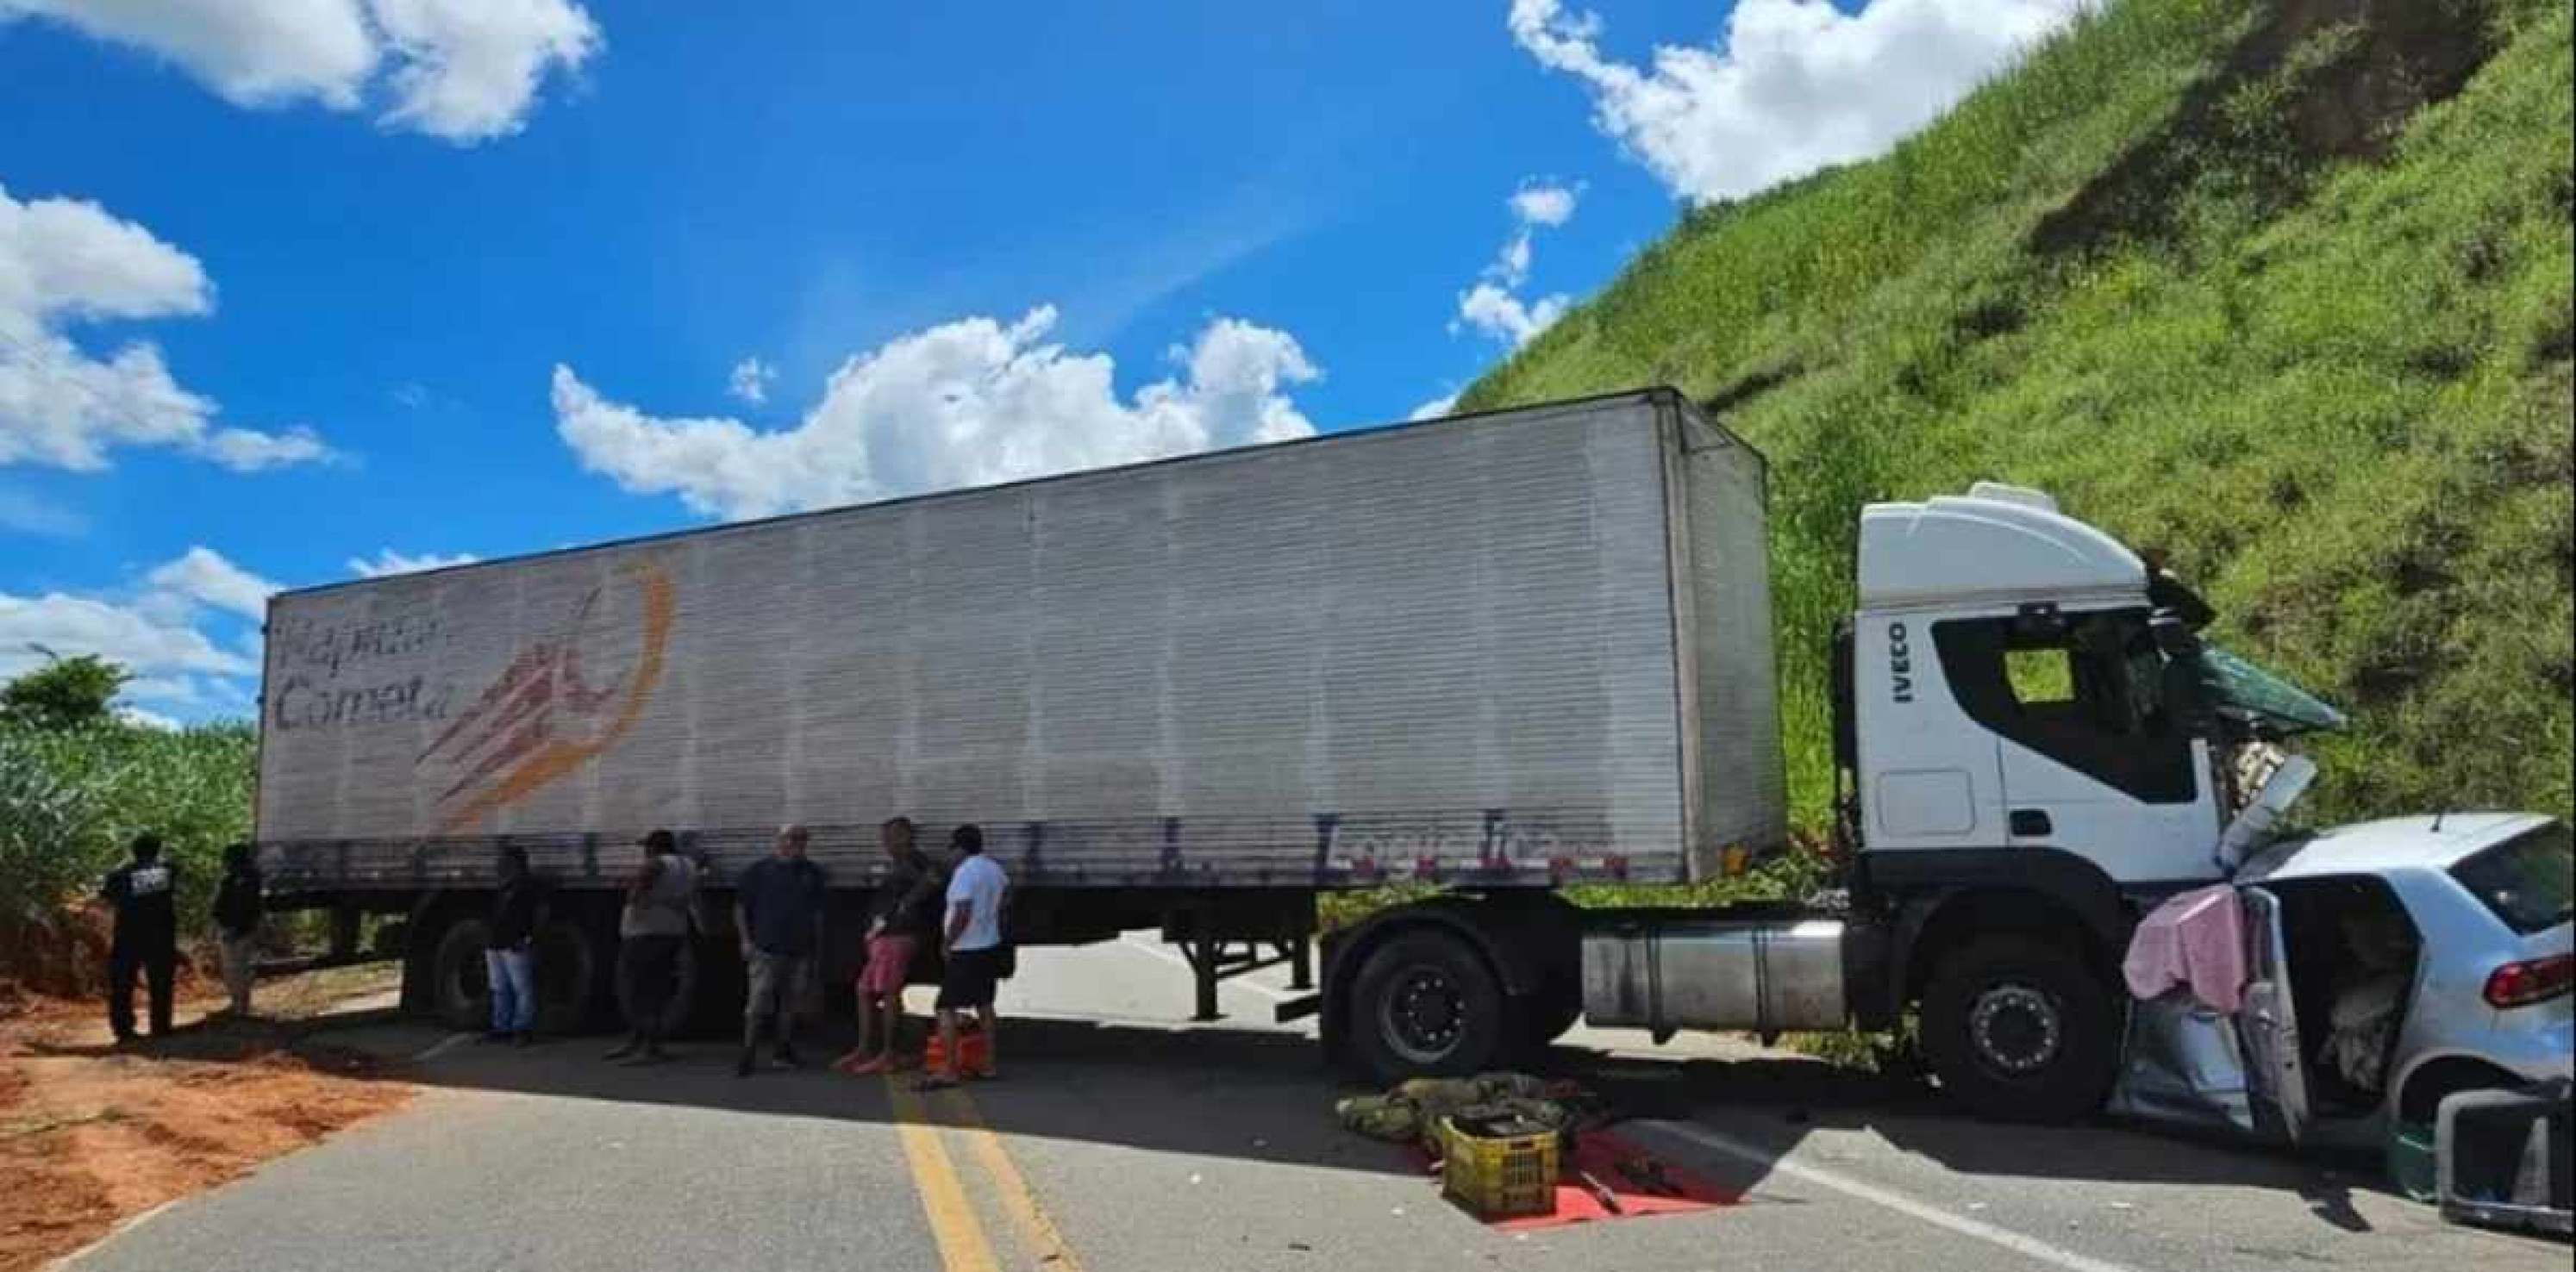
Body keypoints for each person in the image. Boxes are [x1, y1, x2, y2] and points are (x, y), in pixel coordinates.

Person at [839, 817, 941, 1076]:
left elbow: (933, 880)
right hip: (883, 936)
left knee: (888, 992)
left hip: (898, 936)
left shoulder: (916, 861)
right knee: (864, 989)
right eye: (884, 837)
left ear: (906, 836)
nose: (886, 843)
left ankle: (888, 1053)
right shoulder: (897, 864)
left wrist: (905, 907)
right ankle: (864, 1048)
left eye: (892, 836)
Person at [734, 825, 828, 1076]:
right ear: (779, 841)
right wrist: (745, 940)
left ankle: (782, 1049)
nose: (796, 843)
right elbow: (741, 907)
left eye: (801, 839)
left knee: (790, 1003)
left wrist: (817, 948)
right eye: (790, 838)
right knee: (758, 1002)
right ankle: (748, 1052)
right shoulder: (760, 871)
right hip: (766, 948)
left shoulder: (813, 873)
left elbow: (818, 914)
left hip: (800, 949)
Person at [919, 824, 1007, 1090]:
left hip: (966, 949)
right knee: (984, 1004)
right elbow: (1007, 897)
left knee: (945, 1007)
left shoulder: (965, 873)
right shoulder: (994, 869)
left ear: (959, 848)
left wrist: (948, 942)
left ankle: (949, 1070)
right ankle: (989, 1064)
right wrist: (990, 919)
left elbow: (962, 911)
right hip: (989, 944)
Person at [605, 829, 696, 1065]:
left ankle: (646, 1046)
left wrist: (633, 891)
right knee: (658, 990)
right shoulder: (687, 865)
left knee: (637, 991)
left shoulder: (656, 864)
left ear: (655, 848)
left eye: (647, 847)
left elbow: (639, 892)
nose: (645, 851)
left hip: (644, 933)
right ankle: (645, 1041)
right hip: (674, 931)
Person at [101, 832, 179, 1042]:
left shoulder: (120, 874)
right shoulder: (167, 870)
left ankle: (124, 1029)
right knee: (161, 982)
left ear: (134, 851)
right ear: (158, 850)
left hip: (128, 934)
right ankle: (161, 1027)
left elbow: (107, 895)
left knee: (122, 984)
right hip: (161, 935)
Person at [485, 845, 546, 1046]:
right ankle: (501, 1027)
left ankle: (522, 1028)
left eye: (505, 862)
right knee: (500, 987)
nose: (500, 866)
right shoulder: (503, 886)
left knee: (522, 988)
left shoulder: (529, 887)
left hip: (516, 942)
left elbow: (540, 915)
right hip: (496, 943)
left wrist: (530, 937)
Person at [210, 842, 265, 1019]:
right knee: (236, 968)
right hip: (237, 928)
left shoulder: (241, 879)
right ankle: (239, 1004)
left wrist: (234, 927)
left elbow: (243, 906)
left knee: (235, 969)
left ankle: (241, 1006)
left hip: (237, 929)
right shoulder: (246, 877)